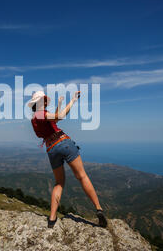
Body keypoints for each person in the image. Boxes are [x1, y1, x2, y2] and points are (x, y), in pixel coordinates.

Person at [28, 90, 107, 228]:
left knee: (59, 183)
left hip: (51, 149)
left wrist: (59, 104)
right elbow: (61, 116)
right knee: (82, 176)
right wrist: (73, 100)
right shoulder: (42, 113)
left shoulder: (35, 119)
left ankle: (52, 219)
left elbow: (55, 119)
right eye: (44, 100)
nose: (46, 102)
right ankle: (98, 209)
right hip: (63, 142)